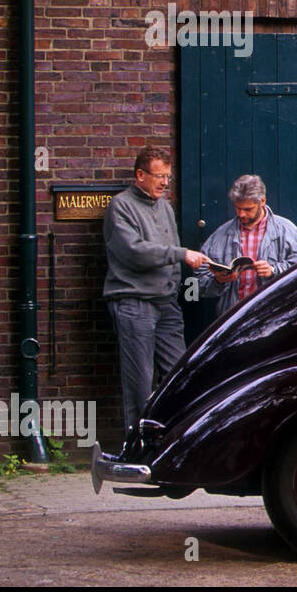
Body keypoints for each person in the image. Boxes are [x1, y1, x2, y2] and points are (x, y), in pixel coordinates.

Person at [103, 145, 208, 431]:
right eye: (159, 176)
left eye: (168, 177)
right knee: (140, 380)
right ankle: (137, 447)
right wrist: (180, 255)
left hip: (166, 303)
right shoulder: (121, 206)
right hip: (134, 302)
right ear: (140, 175)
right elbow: (133, 252)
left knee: (180, 372)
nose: (164, 182)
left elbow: (168, 250)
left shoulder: (164, 206)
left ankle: (172, 440)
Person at [195, 174, 297, 316]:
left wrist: (274, 271)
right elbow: (199, 281)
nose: (241, 214)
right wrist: (218, 281)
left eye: (248, 209)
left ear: (262, 201)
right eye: (237, 208)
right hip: (234, 317)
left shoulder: (286, 230)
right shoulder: (221, 234)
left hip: (274, 316)